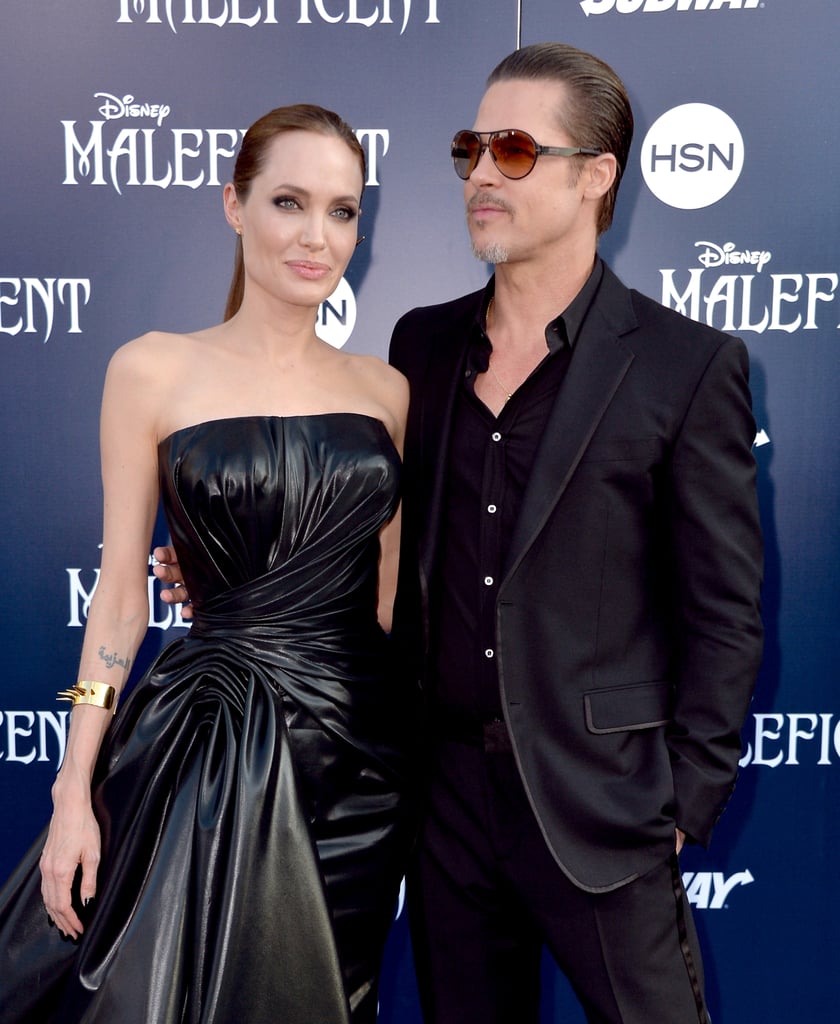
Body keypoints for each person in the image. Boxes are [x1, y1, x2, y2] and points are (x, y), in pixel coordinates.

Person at [0, 104, 414, 1024]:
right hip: (214, 744)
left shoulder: (386, 392)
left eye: (343, 212)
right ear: (234, 205)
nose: (318, 238)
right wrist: (74, 786)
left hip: (362, 766)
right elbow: (117, 601)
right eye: (289, 202)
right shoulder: (151, 370)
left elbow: (392, 598)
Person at [386, 43, 763, 1023]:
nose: (478, 174)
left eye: (513, 151)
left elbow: (723, 608)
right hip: (446, 803)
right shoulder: (420, 343)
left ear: (596, 175)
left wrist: (686, 799)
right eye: (471, 147)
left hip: (604, 803)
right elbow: (387, 548)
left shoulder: (686, 363)